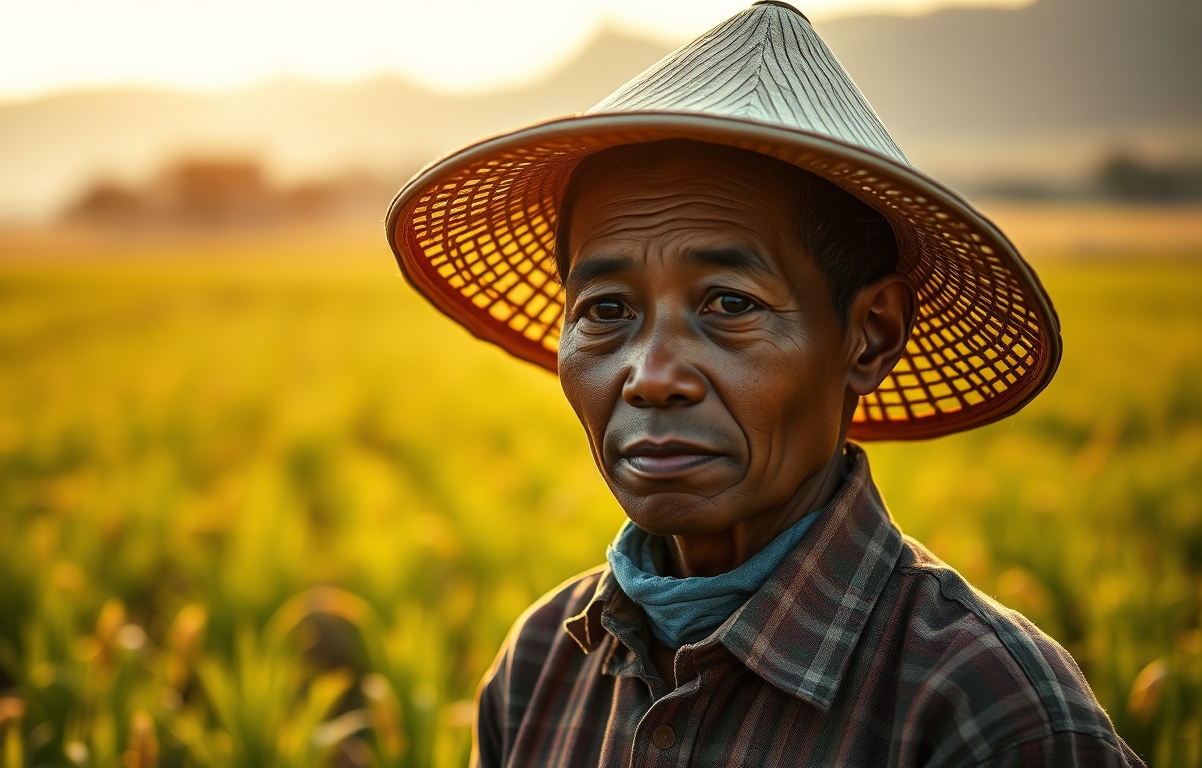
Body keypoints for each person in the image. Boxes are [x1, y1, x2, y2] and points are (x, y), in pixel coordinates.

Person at [386, 2, 1143, 765]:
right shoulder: (539, 669)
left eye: (730, 305)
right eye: (607, 309)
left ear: (870, 334)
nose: (652, 378)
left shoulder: (989, 714)